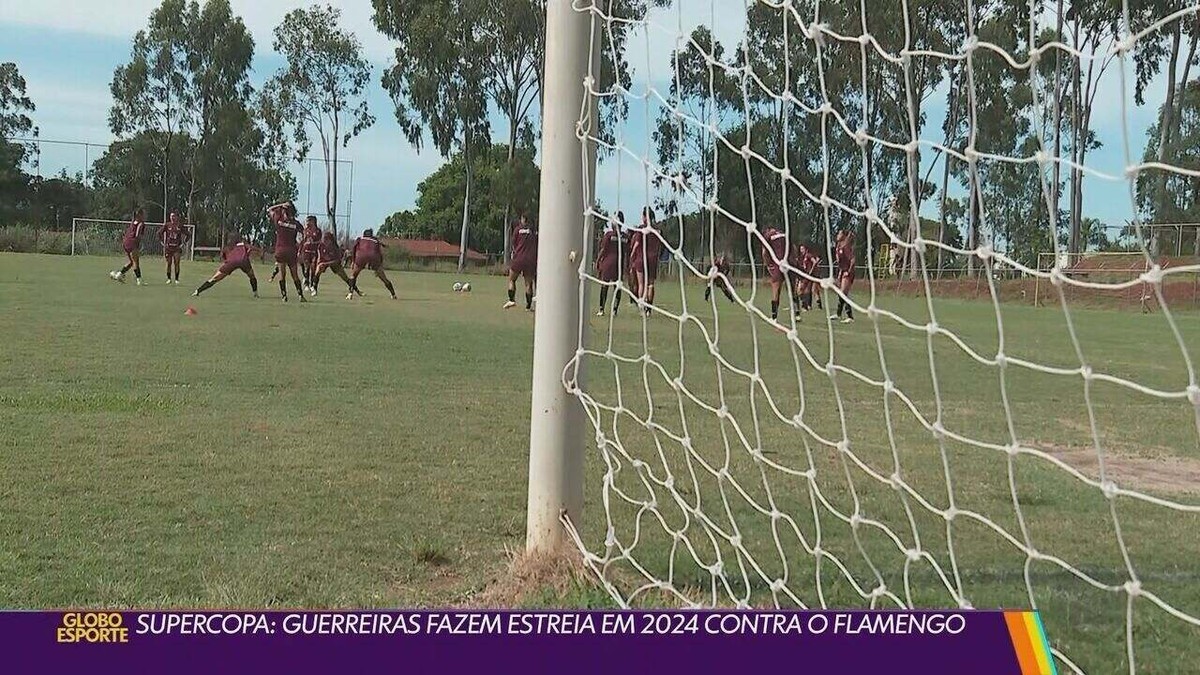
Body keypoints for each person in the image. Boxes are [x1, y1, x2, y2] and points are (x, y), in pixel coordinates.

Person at [192, 234, 258, 298]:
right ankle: (255, 293)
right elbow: (251, 248)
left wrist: (226, 264)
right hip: (244, 261)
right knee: (252, 276)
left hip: (231, 262)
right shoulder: (242, 244)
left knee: (214, 278)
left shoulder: (226, 247)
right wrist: (247, 254)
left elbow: (223, 258)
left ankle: (197, 291)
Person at [267, 201, 307, 303]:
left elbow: (269, 209)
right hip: (291, 251)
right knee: (295, 275)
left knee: (282, 274)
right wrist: (300, 244)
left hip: (280, 250)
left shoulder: (279, 220)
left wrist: (281, 205)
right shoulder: (295, 223)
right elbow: (304, 234)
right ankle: (300, 295)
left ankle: (284, 296)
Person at [628, 207, 662, 316]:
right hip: (653, 259)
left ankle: (641, 306)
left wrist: (632, 256)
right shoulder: (657, 230)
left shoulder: (642, 229)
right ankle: (649, 309)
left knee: (641, 284)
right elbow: (661, 246)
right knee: (650, 284)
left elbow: (636, 244)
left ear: (644, 217)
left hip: (641, 259)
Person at [348, 229, 397, 300]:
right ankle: (393, 294)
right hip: (373, 256)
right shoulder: (375, 241)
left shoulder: (360, 239)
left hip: (361, 256)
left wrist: (353, 261)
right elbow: (379, 253)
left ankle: (350, 294)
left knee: (353, 275)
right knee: (384, 278)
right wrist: (379, 265)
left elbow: (354, 248)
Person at [595, 211, 627, 316]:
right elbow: (627, 252)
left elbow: (603, 249)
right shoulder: (625, 237)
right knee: (617, 287)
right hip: (619, 265)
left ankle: (601, 309)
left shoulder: (609, 235)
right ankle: (614, 310)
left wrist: (598, 261)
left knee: (605, 286)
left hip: (608, 264)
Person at [504, 212, 537, 311]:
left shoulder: (517, 230)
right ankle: (528, 306)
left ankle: (511, 300)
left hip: (519, 258)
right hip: (530, 260)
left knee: (512, 279)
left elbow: (514, 244)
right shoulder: (532, 231)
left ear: (522, 219)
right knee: (528, 283)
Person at [312, 231, 358, 296]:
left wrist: (327, 263)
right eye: (323, 239)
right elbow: (319, 256)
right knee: (319, 268)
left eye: (325, 239)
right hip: (325, 262)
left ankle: (356, 290)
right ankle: (314, 289)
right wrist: (319, 263)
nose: (324, 241)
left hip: (334, 263)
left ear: (330, 240)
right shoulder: (320, 246)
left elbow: (337, 260)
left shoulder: (335, 248)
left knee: (344, 277)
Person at [109, 207, 147, 285]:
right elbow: (137, 235)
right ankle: (139, 280)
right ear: (139, 215)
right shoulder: (141, 223)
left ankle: (119, 274)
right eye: (143, 214)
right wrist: (139, 244)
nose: (144, 215)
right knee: (136, 262)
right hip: (133, 243)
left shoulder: (133, 221)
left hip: (126, 242)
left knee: (131, 261)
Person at [761, 225, 791, 321]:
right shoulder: (783, 234)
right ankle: (797, 313)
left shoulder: (768, 236)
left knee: (775, 289)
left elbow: (764, 252)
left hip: (777, 264)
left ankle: (774, 317)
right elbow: (792, 248)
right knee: (792, 288)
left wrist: (768, 265)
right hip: (788, 263)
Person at [157, 211, 190, 285]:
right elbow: (159, 233)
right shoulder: (167, 225)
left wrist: (183, 243)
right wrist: (162, 243)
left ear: (177, 217)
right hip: (168, 248)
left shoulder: (180, 225)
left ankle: (177, 279)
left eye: (173, 216)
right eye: (171, 216)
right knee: (169, 263)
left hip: (177, 248)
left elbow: (188, 234)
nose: (172, 217)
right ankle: (169, 279)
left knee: (177, 263)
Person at [831, 229, 856, 323]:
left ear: (844, 236)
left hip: (848, 272)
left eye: (839, 233)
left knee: (843, 292)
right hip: (842, 271)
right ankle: (838, 314)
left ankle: (850, 316)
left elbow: (853, 260)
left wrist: (848, 271)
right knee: (842, 293)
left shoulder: (846, 247)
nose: (837, 235)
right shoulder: (838, 246)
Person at [298, 215, 322, 294]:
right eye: (307, 221)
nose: (307, 223)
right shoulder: (305, 231)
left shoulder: (318, 231)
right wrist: (299, 250)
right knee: (306, 268)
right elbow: (303, 241)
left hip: (314, 252)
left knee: (313, 268)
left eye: (309, 221)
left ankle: (312, 285)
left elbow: (319, 242)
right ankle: (306, 284)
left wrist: (313, 242)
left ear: (313, 221)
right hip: (306, 252)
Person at [796, 243, 822, 312]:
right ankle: (808, 305)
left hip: (811, 275)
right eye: (800, 249)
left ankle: (805, 306)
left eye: (802, 249)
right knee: (809, 290)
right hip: (807, 275)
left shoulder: (808, 255)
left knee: (803, 290)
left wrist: (811, 270)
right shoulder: (803, 256)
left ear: (806, 249)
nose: (801, 250)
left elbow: (814, 262)